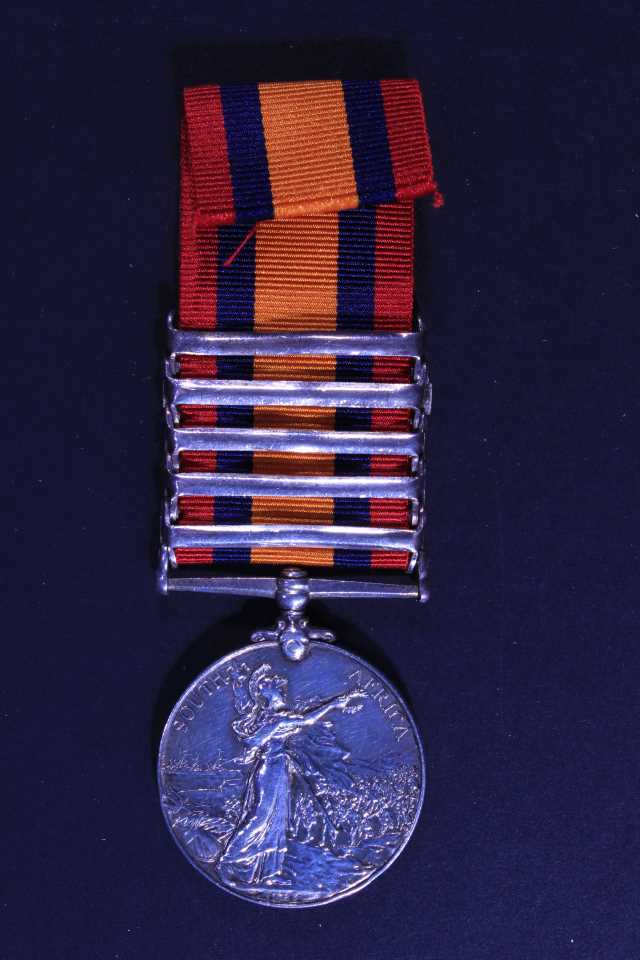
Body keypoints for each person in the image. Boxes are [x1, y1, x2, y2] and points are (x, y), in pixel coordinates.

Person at [217, 663, 365, 889]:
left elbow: (300, 720)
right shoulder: (273, 718)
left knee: (278, 819)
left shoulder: (277, 716)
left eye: (271, 680)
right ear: (265, 692)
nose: (274, 682)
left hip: (280, 768)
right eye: (267, 682)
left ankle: (270, 872)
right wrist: (334, 703)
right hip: (269, 768)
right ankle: (228, 859)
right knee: (261, 816)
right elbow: (302, 722)